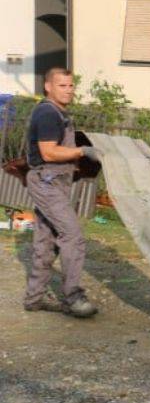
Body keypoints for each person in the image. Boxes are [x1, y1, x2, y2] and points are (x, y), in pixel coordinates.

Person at [23, 67, 100, 318]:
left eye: (70, 86)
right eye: (62, 86)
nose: (68, 90)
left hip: (55, 180)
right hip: (46, 180)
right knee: (72, 236)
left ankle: (35, 298)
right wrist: (81, 152)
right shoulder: (47, 113)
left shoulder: (59, 113)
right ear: (48, 87)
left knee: (46, 241)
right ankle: (73, 298)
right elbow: (48, 152)